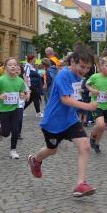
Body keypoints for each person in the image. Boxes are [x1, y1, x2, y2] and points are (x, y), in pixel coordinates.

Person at [28, 46, 98, 197]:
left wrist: (89, 91)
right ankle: (35, 160)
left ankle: (80, 184)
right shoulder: (63, 75)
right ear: (72, 62)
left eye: (87, 68)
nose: (84, 70)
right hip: (53, 122)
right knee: (51, 150)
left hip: (70, 120)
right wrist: (88, 106)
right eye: (82, 66)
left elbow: (75, 94)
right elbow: (65, 99)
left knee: (85, 146)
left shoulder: (78, 76)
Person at [0, 57, 29, 159]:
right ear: (5, 67)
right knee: (6, 133)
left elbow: (22, 92)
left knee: (15, 130)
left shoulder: (20, 80)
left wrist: (22, 95)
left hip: (15, 108)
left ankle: (13, 150)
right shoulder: (1, 80)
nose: (13, 66)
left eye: (15, 65)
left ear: (17, 67)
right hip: (4, 110)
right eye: (10, 65)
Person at [86, 55, 107, 154]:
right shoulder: (95, 77)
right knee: (100, 124)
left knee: (102, 127)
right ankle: (92, 137)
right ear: (101, 66)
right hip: (96, 104)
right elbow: (87, 84)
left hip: (106, 105)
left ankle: (96, 143)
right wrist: (92, 90)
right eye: (106, 66)